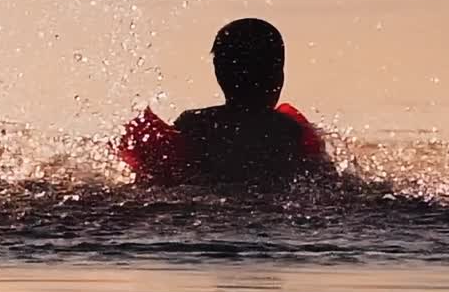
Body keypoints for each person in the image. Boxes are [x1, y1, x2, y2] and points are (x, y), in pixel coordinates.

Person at [117, 18, 332, 189]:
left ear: (219, 74)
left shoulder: (195, 123)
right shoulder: (290, 130)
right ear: (278, 76)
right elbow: (324, 184)